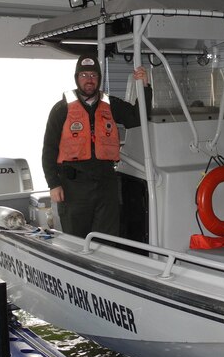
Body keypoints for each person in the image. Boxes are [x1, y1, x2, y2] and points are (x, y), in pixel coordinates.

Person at [42, 54, 151, 238]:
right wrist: (53, 184)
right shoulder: (62, 109)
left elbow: (136, 118)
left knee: (107, 239)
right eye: (83, 75)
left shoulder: (111, 104)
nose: (89, 80)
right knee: (76, 239)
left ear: (99, 78)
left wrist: (145, 86)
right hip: (74, 187)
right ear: (77, 78)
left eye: (93, 75)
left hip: (106, 184)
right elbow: (49, 149)